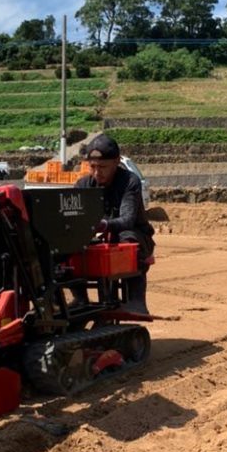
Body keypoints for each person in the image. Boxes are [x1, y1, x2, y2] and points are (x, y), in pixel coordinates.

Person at [74, 133, 154, 315]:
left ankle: (136, 301)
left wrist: (101, 225)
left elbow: (127, 220)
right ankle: (80, 299)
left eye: (102, 167)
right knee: (65, 249)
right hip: (99, 236)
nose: (96, 172)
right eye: (92, 167)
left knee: (128, 241)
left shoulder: (129, 182)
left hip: (136, 236)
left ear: (117, 162)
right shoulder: (83, 184)